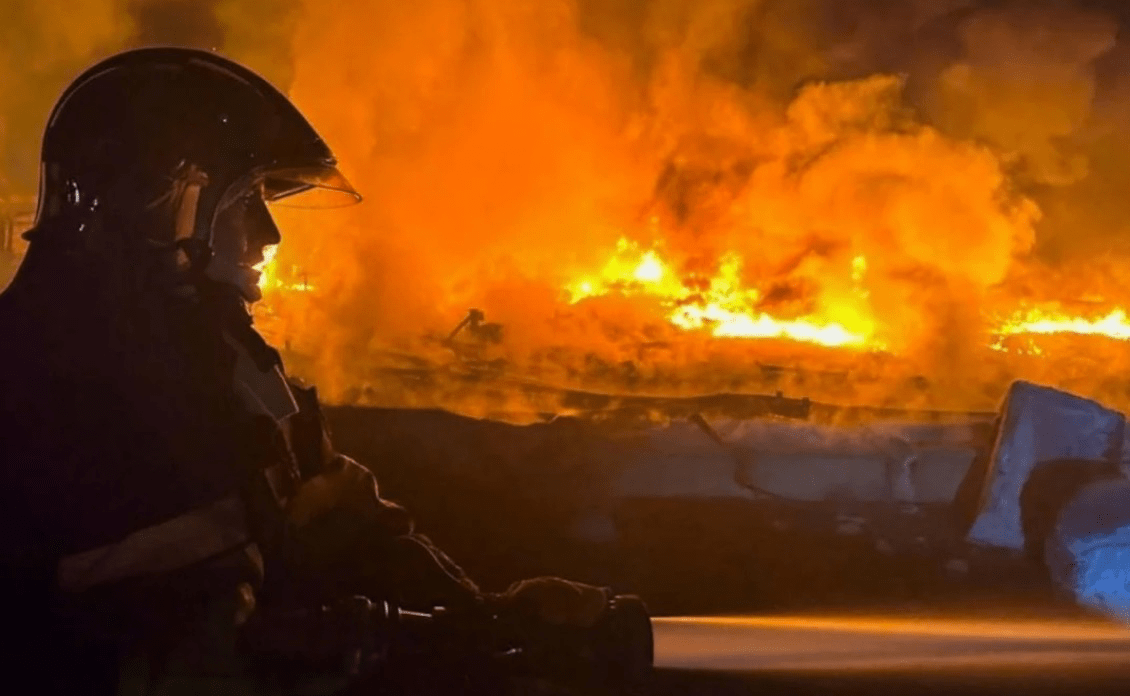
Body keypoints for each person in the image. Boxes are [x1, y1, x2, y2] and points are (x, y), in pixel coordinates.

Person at [0, 48, 618, 696]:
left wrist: (486, 616)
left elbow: (337, 514)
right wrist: (349, 649)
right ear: (162, 206)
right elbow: (91, 642)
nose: (270, 236)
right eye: (245, 205)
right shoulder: (40, 385)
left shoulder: (225, 358)